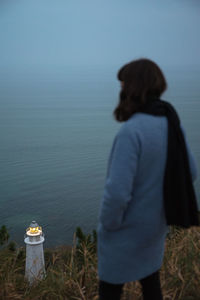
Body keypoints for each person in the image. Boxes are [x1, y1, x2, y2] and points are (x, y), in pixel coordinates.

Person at [97, 58, 198, 300]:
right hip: (154, 227)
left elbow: (118, 192)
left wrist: (108, 225)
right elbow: (191, 172)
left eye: (123, 84)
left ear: (133, 87)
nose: (120, 90)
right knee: (151, 286)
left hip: (123, 232)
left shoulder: (131, 131)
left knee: (110, 291)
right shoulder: (170, 122)